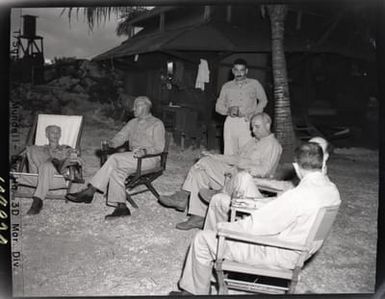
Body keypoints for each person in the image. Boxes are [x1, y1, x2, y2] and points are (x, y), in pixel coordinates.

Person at [170, 142, 341, 295]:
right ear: (322, 163)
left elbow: (256, 226)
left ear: (296, 167)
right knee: (222, 203)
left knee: (202, 239)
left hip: (277, 252)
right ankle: (205, 275)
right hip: (298, 250)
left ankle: (193, 293)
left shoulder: (298, 195)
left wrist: (224, 229)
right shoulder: (331, 189)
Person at [159, 112, 282, 230]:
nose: (253, 130)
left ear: (268, 125)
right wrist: (214, 156)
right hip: (230, 175)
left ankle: (183, 196)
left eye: (257, 127)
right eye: (252, 127)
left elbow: (265, 170)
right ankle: (197, 217)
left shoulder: (272, 145)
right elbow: (234, 157)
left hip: (245, 183)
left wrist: (242, 169)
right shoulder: (253, 142)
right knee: (200, 171)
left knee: (204, 163)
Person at [66, 96, 165, 219]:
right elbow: (121, 136)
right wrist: (112, 143)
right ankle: (121, 207)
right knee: (116, 171)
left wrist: (145, 151)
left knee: (114, 158)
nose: (133, 109)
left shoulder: (157, 124)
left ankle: (90, 191)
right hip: (133, 158)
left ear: (145, 107)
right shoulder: (132, 123)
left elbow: (159, 147)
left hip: (150, 159)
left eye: (136, 106)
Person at [203, 136, 331, 230]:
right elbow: (284, 187)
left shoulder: (312, 186)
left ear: (325, 157)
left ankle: (221, 191)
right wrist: (256, 181)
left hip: (270, 220)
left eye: (317, 151)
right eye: (309, 148)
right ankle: (214, 242)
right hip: (271, 212)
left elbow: (284, 210)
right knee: (221, 198)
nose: (311, 153)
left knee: (241, 179)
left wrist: (250, 202)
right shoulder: (315, 179)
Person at [16, 125, 81, 215]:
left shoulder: (66, 148)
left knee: (48, 164)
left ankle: (37, 200)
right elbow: (18, 156)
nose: (56, 134)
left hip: (59, 177)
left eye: (58, 132)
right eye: (52, 132)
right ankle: (38, 199)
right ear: (47, 134)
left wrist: (74, 155)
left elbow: (78, 161)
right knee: (41, 159)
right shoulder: (36, 148)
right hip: (39, 176)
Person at [216, 58, 268, 155]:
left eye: (242, 70)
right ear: (233, 71)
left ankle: (244, 170)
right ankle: (230, 170)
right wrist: (228, 111)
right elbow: (218, 106)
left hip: (247, 121)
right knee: (229, 152)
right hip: (231, 123)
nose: (239, 73)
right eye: (236, 70)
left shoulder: (254, 84)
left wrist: (254, 114)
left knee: (246, 152)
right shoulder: (226, 86)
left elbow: (263, 100)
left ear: (246, 71)